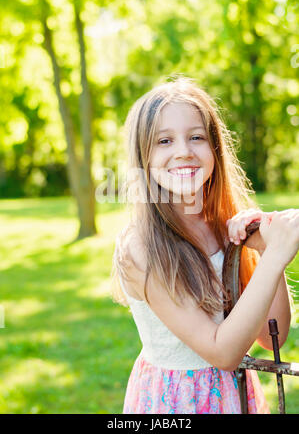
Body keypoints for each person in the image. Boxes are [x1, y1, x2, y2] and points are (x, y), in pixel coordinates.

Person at [110, 77, 298, 414]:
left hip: (236, 396)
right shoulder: (141, 249)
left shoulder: (225, 225)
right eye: (164, 141)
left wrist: (267, 249)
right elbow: (223, 353)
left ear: (215, 149)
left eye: (196, 137)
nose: (183, 151)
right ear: (144, 156)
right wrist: (277, 256)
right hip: (176, 402)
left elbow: (274, 337)